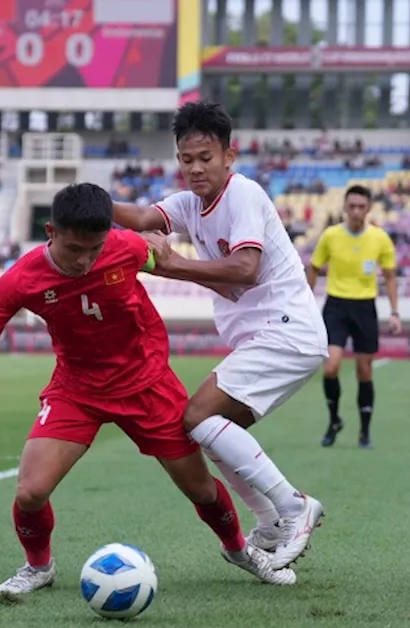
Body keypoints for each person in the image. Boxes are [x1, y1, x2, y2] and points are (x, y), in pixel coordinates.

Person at [0, 183, 295, 595]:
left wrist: (213, 278)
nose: (85, 260)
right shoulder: (21, 279)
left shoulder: (126, 247)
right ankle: (38, 567)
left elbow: (171, 262)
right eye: (75, 249)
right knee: (30, 491)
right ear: (51, 232)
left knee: (201, 489)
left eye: (94, 249)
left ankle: (240, 551)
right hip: (77, 389)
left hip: (147, 383)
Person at [112, 101, 327, 570]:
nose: (194, 169)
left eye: (205, 158)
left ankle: (293, 507)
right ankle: (269, 522)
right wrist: (94, 206)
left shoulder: (242, 194)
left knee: (196, 416)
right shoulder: (191, 204)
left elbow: (246, 270)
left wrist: (171, 265)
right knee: (212, 432)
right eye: (186, 160)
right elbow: (145, 219)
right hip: (271, 338)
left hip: (286, 331)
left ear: (229, 156)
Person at [306, 184, 401, 448]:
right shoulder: (331, 236)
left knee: (364, 371)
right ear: (344, 208)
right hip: (336, 306)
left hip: (365, 307)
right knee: (331, 367)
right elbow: (313, 268)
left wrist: (395, 312)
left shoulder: (380, 238)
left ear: (368, 208)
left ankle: (364, 432)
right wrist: (306, 302)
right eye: (352, 206)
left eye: (361, 206)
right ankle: (334, 419)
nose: (356, 211)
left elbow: (390, 277)